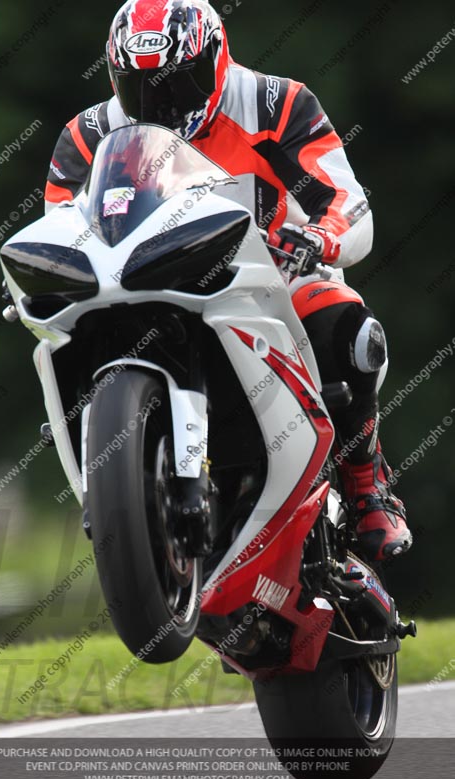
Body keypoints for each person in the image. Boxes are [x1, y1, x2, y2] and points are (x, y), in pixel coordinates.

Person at [44, 0, 412, 561]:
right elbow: (59, 223)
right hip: (138, 286)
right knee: (64, 340)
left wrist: (319, 237)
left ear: (216, 60)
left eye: (176, 83)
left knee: (351, 331)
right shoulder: (89, 134)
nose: (160, 103)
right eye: (140, 87)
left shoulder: (275, 103)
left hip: (266, 282)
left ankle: (367, 484)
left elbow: (348, 200)